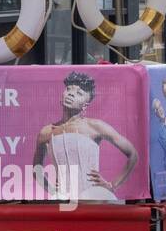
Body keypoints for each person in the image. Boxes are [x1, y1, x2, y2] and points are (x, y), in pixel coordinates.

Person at [31, 71, 139, 203]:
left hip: (98, 199)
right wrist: (53, 191)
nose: (71, 93)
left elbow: (133, 154)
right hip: (66, 202)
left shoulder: (95, 126)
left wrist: (112, 185)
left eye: (79, 93)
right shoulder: (46, 132)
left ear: (85, 105)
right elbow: (36, 168)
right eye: (68, 89)